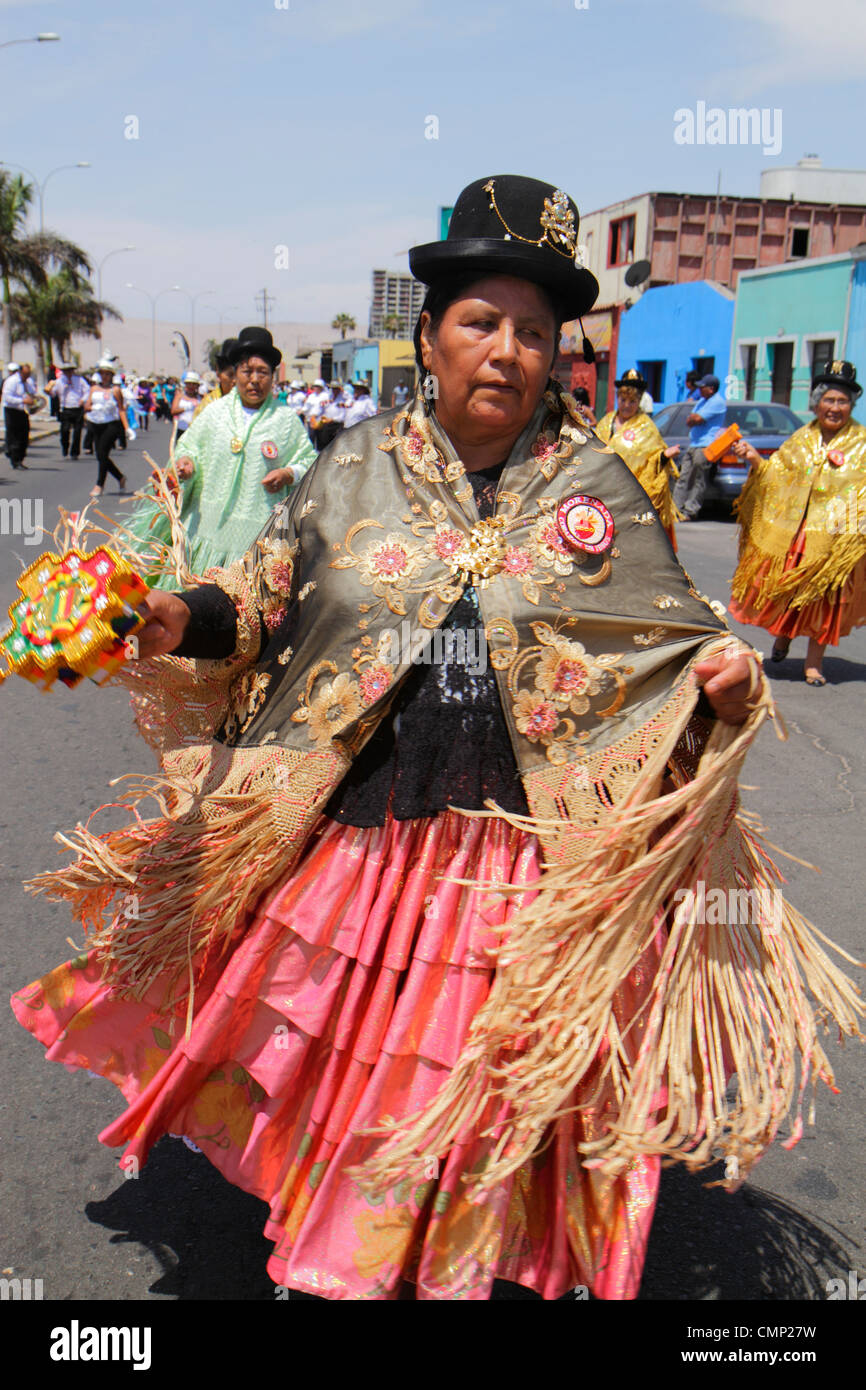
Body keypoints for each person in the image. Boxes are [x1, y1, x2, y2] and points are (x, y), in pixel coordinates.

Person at [11, 177, 861, 1303]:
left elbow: (672, 645)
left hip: (524, 861)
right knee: (352, 1075)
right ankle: (352, 1258)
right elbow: (266, 597)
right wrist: (181, 614)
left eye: (532, 331)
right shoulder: (353, 467)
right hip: (360, 834)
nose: (506, 351)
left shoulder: (593, 485)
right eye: (479, 322)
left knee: (481, 1096)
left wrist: (722, 682)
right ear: (427, 335)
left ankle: (454, 1262)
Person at [127, 325, 316, 586]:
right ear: (234, 374)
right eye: (247, 371)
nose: (254, 380)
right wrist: (186, 464)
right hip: (206, 525)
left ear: (273, 377)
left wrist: (287, 473)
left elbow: (308, 461)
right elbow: (188, 448)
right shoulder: (215, 412)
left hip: (257, 531)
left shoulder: (285, 419)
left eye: (263, 372)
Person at [729, 359, 866, 686]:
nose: (835, 408)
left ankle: (813, 665)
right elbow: (776, 474)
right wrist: (753, 460)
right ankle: (784, 637)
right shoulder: (801, 439)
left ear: (851, 405)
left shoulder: (861, 443)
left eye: (842, 401)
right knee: (788, 593)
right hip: (797, 534)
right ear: (817, 403)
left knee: (823, 600)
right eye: (829, 400)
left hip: (835, 537)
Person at [596, 367, 681, 547]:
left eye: (632, 401)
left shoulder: (647, 428)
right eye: (623, 400)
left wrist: (664, 457)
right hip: (602, 489)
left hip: (630, 495)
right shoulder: (606, 421)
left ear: (639, 401)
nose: (627, 405)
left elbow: (653, 459)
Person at [673, 373, 726, 521]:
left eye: (703, 387)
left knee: (698, 478)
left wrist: (694, 419)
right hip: (694, 443)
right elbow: (689, 420)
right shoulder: (702, 401)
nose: (700, 390)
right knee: (683, 476)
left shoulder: (717, 402)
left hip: (705, 446)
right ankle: (675, 509)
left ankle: (690, 510)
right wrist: (693, 419)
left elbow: (696, 418)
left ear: (711, 388)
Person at [83, 359, 127, 498]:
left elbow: (121, 409)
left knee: (102, 453)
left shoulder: (115, 390)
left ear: (111, 375)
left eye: (107, 374)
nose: (104, 376)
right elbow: (87, 406)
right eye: (102, 374)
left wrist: (127, 428)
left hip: (111, 424)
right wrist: (93, 407)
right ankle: (120, 477)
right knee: (100, 455)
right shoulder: (94, 389)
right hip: (96, 423)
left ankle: (99, 485)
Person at [47, 361, 90, 459]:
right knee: (65, 430)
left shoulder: (80, 380)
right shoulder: (59, 381)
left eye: (70, 371)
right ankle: (65, 447)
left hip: (77, 408)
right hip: (65, 408)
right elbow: (53, 393)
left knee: (77, 431)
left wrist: (83, 400)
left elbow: (87, 391)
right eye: (66, 371)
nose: (68, 373)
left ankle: (75, 452)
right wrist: (49, 391)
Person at [2, 362, 37, 470]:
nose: (27, 376)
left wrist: (32, 399)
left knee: (24, 436)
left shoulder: (28, 381)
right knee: (14, 436)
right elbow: (7, 397)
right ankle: (16, 461)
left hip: (23, 411)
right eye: (25, 374)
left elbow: (32, 392)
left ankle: (20, 457)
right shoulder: (12, 381)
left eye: (28, 374)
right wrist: (22, 400)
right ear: (20, 372)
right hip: (12, 411)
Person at [194, 339, 237, 418]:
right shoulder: (208, 405)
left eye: (238, 375)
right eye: (230, 375)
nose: (235, 380)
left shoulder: (252, 403)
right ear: (218, 372)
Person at [172, 371, 202, 444]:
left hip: (196, 431)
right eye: (189, 384)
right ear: (185, 384)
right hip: (182, 429)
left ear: (197, 386)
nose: (191, 386)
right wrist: (186, 408)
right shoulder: (179, 396)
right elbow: (173, 411)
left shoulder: (201, 398)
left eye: (194, 384)